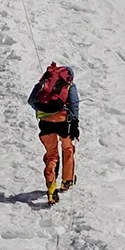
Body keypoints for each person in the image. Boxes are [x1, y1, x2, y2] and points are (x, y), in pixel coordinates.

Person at [27, 62, 79, 204]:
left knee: (51, 155)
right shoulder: (69, 85)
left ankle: (51, 189)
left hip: (46, 122)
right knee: (68, 149)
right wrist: (75, 122)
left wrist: (44, 110)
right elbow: (74, 105)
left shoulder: (43, 83)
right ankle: (67, 181)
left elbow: (31, 101)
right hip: (63, 122)